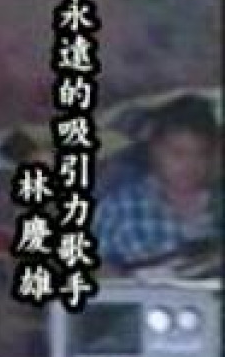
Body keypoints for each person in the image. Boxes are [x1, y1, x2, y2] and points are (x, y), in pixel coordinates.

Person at [93, 96, 221, 272]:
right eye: (178, 153)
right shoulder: (120, 206)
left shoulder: (218, 203)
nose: (190, 165)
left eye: (201, 154)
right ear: (155, 150)